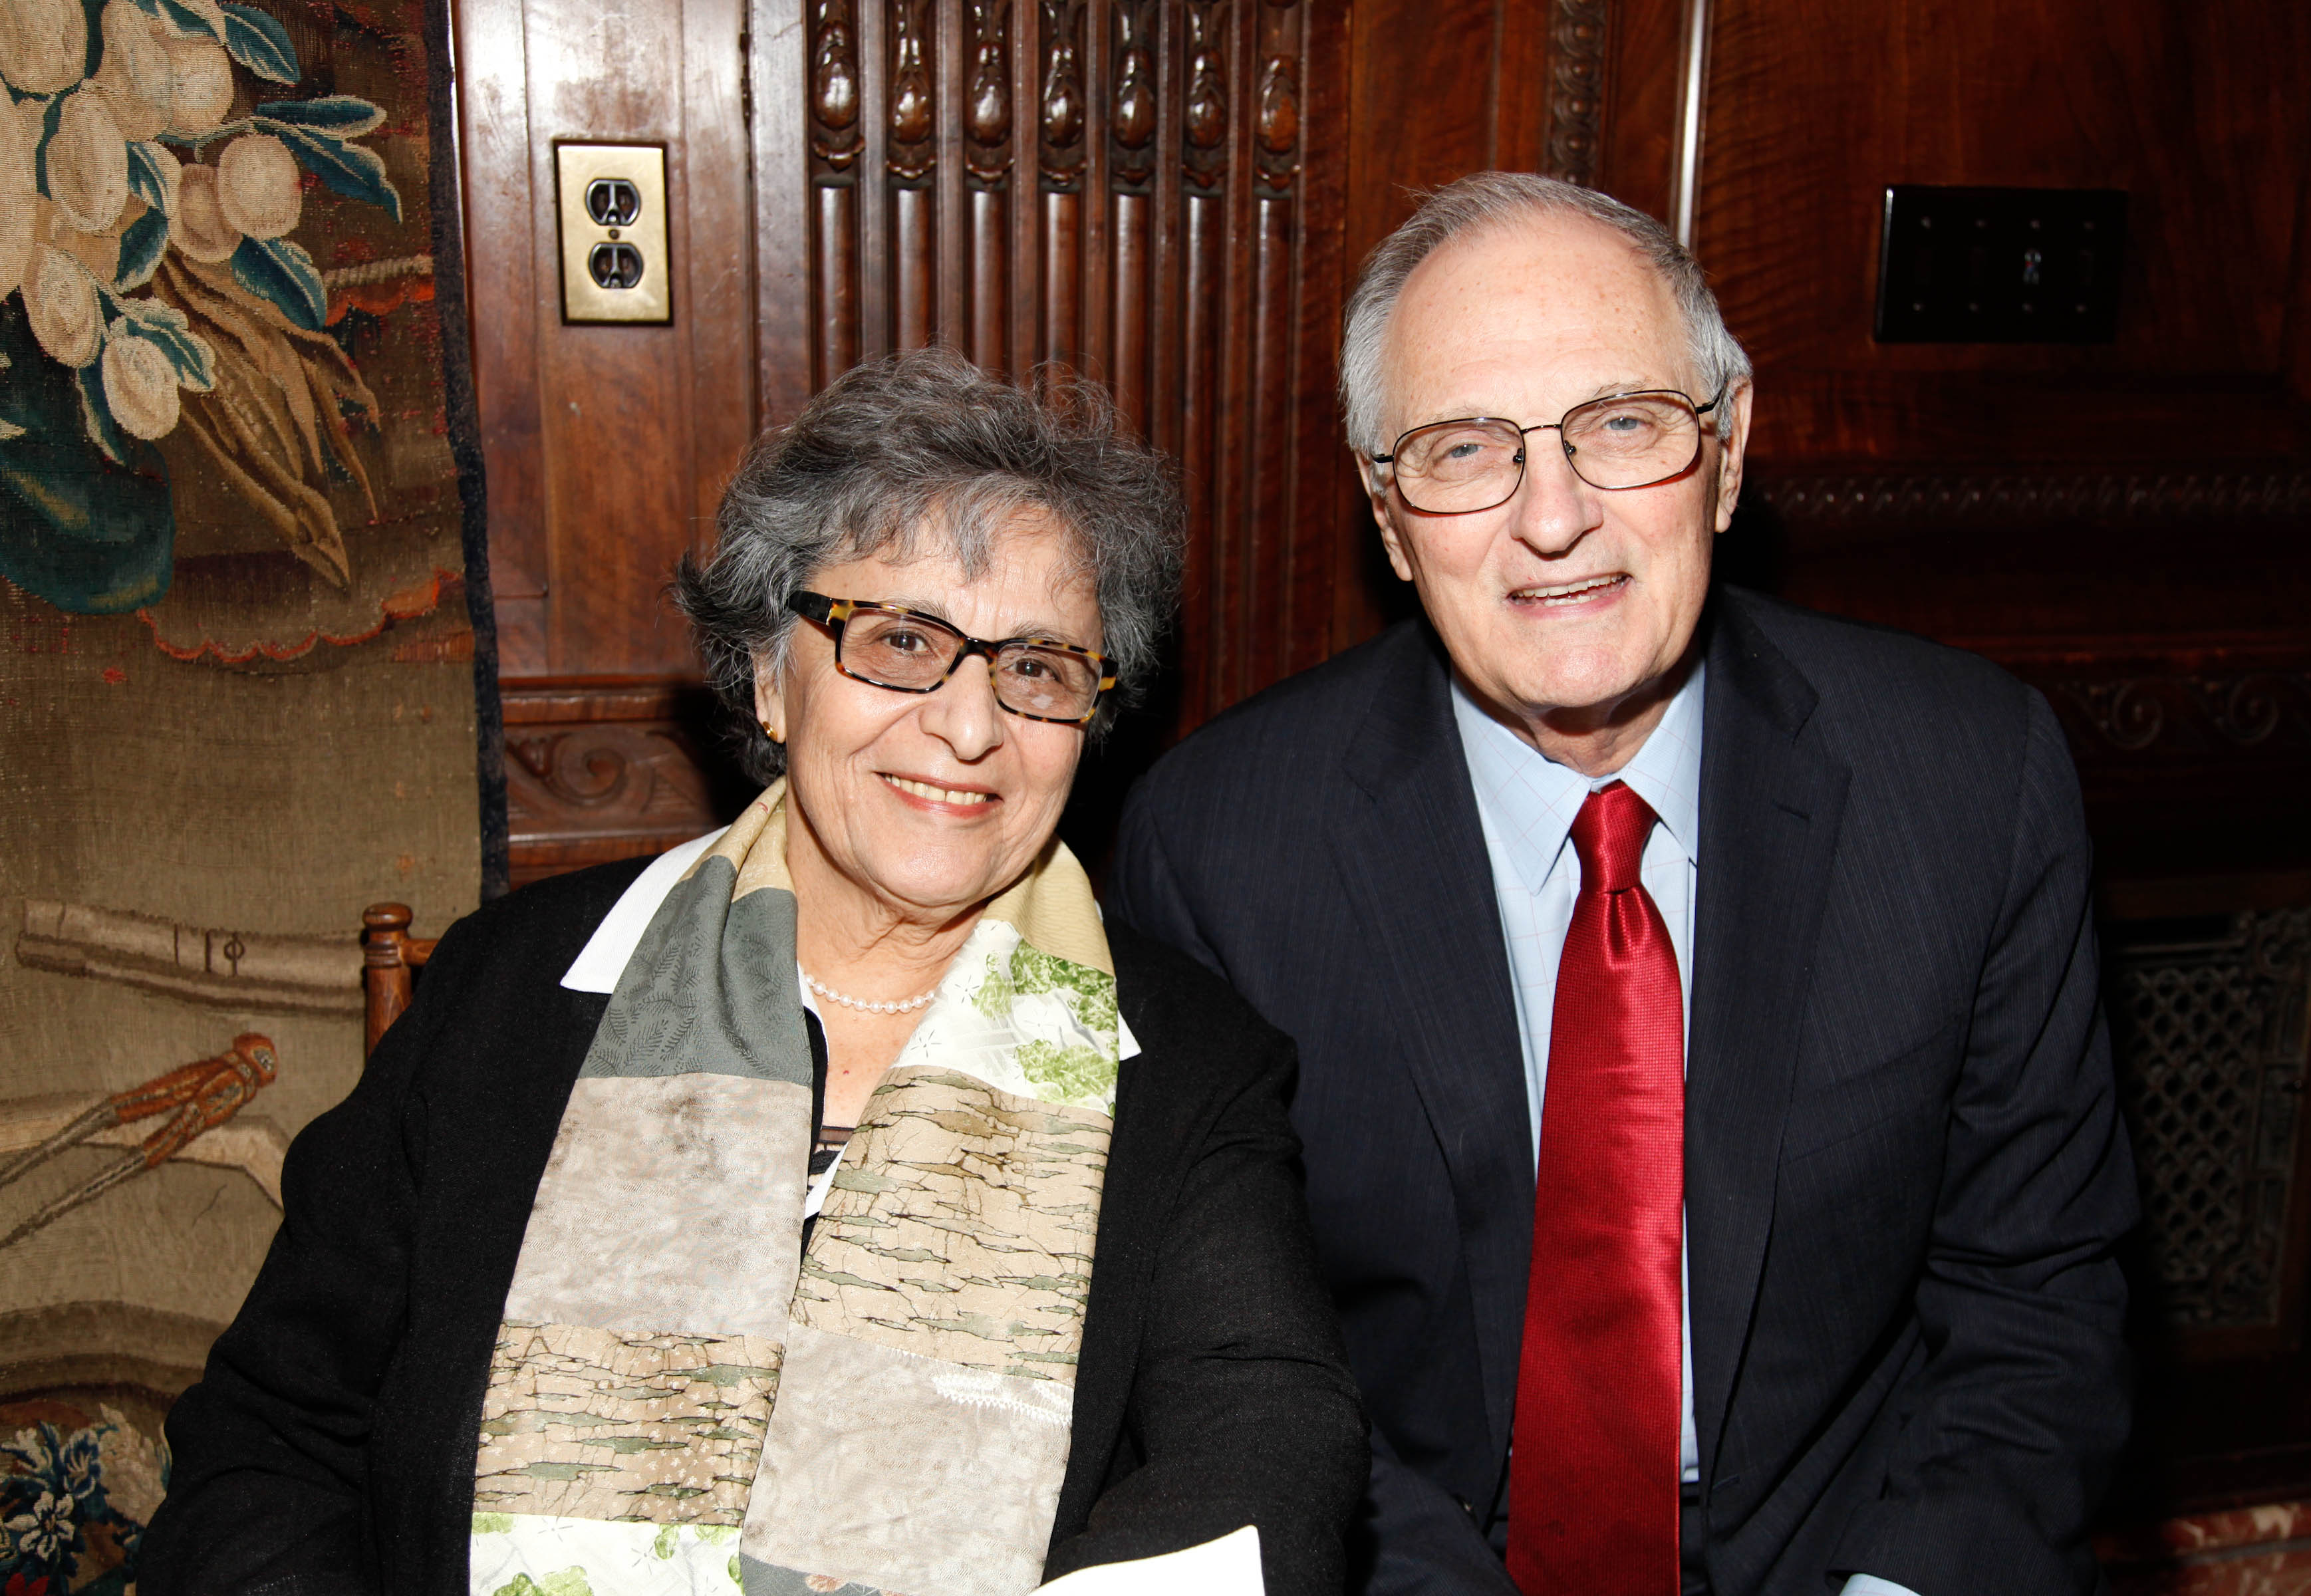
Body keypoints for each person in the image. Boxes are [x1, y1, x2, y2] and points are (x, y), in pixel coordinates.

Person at [141, 348, 1367, 1596]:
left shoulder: (1194, 1068)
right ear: (772, 676)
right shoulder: (507, 989)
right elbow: (274, 1447)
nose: (970, 723)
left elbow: (1267, 1471)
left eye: (1037, 666)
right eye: (900, 641)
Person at [1106, 173, 2139, 1596]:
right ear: (1390, 516)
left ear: (1725, 452)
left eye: (1623, 426)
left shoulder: (1969, 780)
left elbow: (2036, 1307)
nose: (1555, 518)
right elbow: (1245, 1371)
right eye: (1465, 450)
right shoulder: (1216, 847)